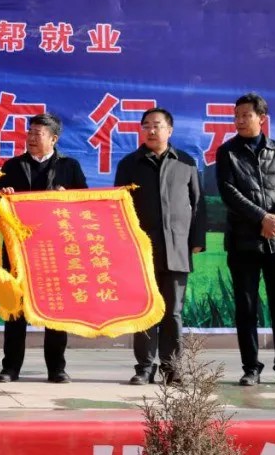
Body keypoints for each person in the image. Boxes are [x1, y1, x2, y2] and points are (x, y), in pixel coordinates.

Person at [216, 92, 275, 387]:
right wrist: (262, 218)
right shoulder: (227, 152)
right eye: (237, 116)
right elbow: (229, 192)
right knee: (247, 308)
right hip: (243, 242)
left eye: (246, 115)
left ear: (261, 118)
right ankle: (251, 368)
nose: (240, 121)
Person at [114, 107, 206, 386]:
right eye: (146, 126)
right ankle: (144, 368)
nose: (151, 131)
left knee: (173, 312)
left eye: (157, 125)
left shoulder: (186, 162)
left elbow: (198, 204)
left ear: (170, 130)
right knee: (144, 310)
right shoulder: (130, 164)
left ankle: (172, 368)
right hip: (141, 249)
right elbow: (118, 207)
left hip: (177, 248)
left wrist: (197, 241)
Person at [0, 112, 87, 384]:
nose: (32, 138)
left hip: (54, 250)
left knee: (56, 311)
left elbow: (83, 204)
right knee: (15, 311)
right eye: (30, 132)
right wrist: (4, 196)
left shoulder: (69, 166)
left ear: (53, 139)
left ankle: (56, 369)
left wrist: (67, 199)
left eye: (38, 133)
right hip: (18, 250)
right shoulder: (12, 165)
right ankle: (10, 368)